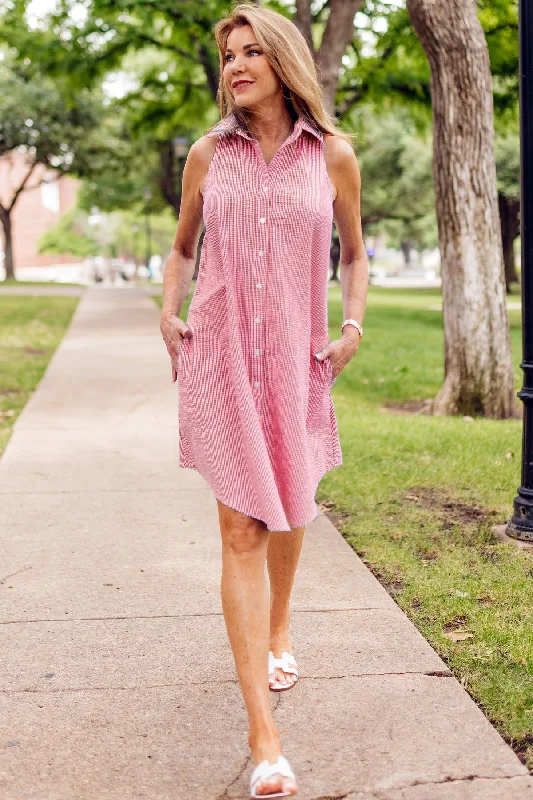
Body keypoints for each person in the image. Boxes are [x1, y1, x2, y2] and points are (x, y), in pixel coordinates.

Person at [160, 4, 368, 797]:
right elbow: (182, 247)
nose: (235, 65)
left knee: (290, 504)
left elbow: (354, 254)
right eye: (227, 54)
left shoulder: (334, 157)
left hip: (293, 359)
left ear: (284, 60)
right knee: (240, 524)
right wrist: (169, 308)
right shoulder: (208, 153)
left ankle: (279, 625)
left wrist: (351, 326)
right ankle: (264, 739)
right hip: (217, 357)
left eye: (250, 52)